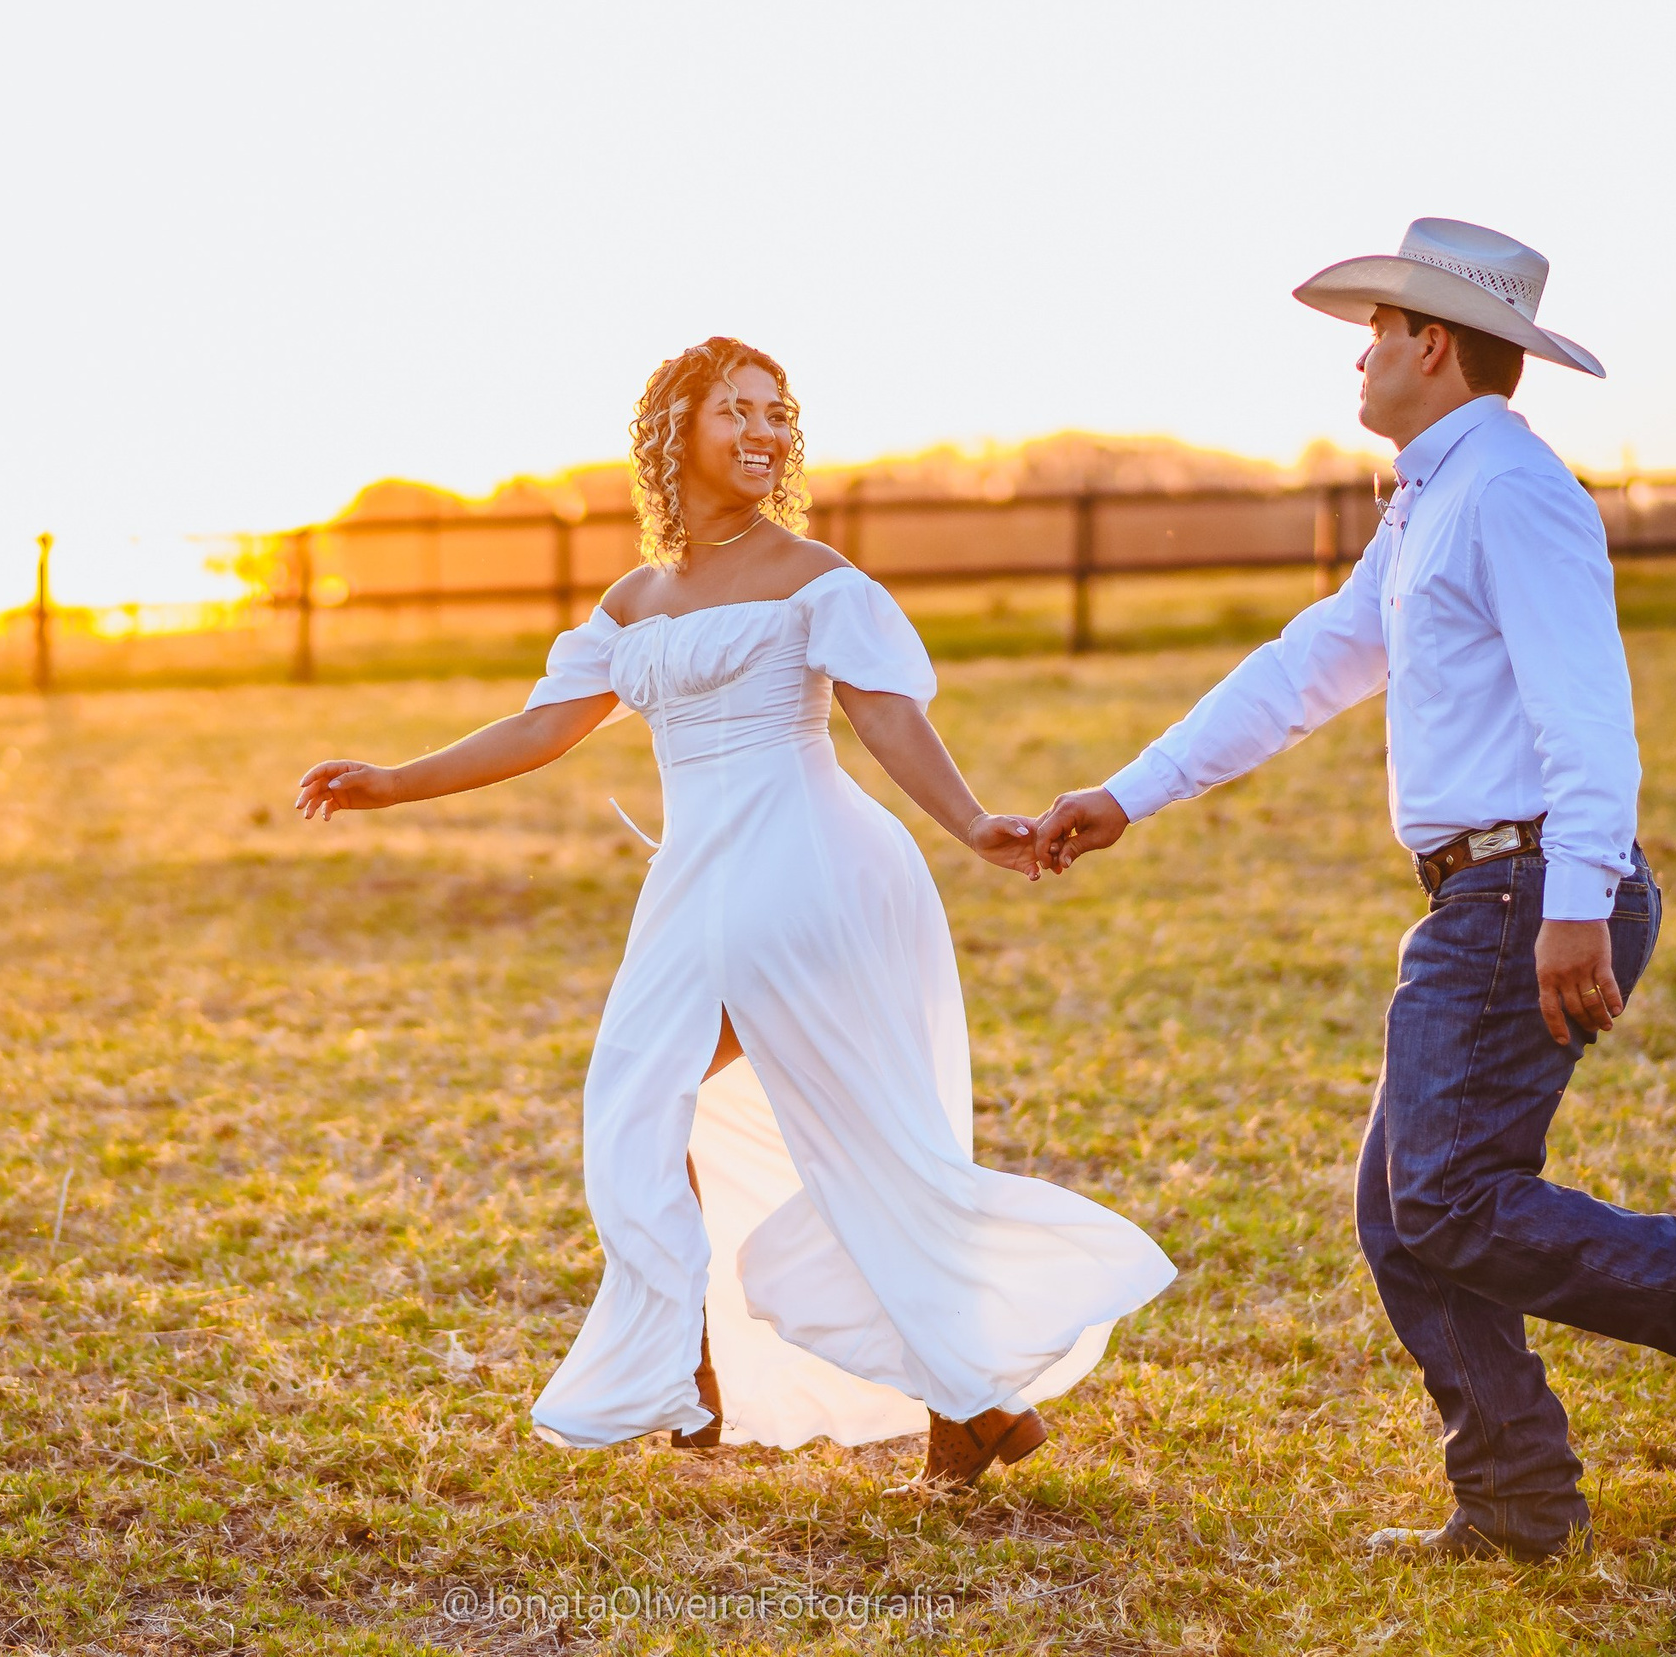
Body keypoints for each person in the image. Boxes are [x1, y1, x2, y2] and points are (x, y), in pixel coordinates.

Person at [1031, 220, 1676, 1560]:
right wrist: (1127, 793)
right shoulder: (1435, 497)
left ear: (1432, 342)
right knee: (1410, 1207)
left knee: (1450, 1199)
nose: (1357, 354)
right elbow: (1310, 664)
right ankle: (1521, 1498)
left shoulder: (1511, 490)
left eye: (1376, 329)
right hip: (1490, 890)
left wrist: (1578, 901)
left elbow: (1588, 713)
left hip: (1524, 890)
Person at [297, 337, 1174, 1486]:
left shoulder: (816, 577)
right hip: (697, 877)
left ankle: (955, 1401)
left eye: (776, 414)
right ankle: (699, 1358)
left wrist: (970, 825)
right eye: (734, 414)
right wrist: (393, 779)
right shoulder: (633, 599)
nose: (762, 434)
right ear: (674, 434)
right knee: (633, 1103)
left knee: (862, 1143)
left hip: (810, 868)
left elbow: (885, 715)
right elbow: (540, 728)